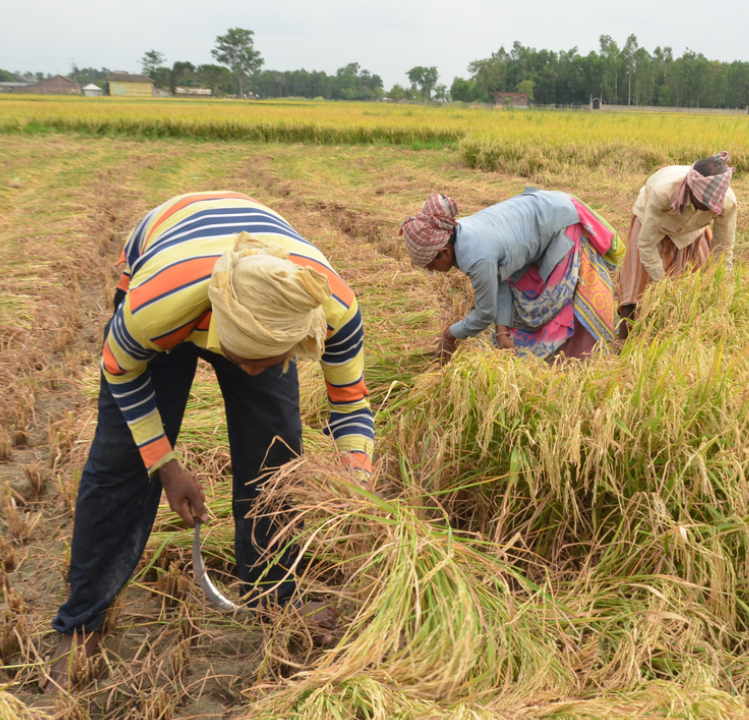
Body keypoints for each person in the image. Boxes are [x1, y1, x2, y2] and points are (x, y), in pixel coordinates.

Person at [44, 191, 373, 692]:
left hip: (257, 281)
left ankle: (273, 598)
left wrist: (357, 481)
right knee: (121, 464)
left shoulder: (329, 308)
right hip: (172, 266)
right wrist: (165, 464)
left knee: (276, 461)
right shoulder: (154, 311)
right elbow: (121, 372)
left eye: (268, 360)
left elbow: (350, 403)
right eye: (243, 359)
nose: (252, 373)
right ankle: (82, 620)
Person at [400, 188, 624, 363]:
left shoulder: (476, 257)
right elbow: (500, 276)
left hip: (561, 222)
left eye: (430, 265)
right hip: (544, 209)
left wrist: (449, 335)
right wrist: (502, 330)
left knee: (555, 302)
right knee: (525, 305)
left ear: (444, 252)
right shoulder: (459, 232)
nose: (430, 271)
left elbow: (485, 314)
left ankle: (582, 360)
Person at [618, 152, 738, 339]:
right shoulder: (663, 192)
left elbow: (722, 249)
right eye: (704, 202)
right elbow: (646, 244)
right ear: (690, 190)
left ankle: (678, 336)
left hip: (693, 231)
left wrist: (720, 283)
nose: (709, 207)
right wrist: (664, 284)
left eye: (713, 204)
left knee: (696, 286)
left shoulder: (727, 202)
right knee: (638, 285)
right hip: (653, 226)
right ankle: (623, 342)